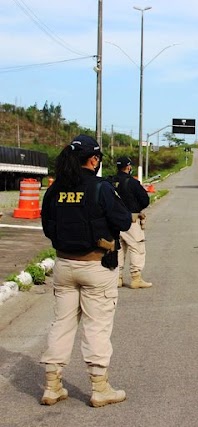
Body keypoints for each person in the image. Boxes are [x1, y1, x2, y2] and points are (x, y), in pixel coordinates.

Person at [40, 134, 132, 407]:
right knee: (96, 327)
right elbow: (124, 221)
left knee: (62, 325)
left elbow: (48, 227)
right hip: (96, 266)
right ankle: (100, 388)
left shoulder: (55, 190)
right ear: (93, 160)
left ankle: (52, 386)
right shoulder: (100, 188)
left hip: (64, 266)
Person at [112, 157, 152, 289]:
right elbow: (145, 200)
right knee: (137, 247)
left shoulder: (109, 181)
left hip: (113, 221)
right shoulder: (132, 182)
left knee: (118, 248)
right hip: (131, 220)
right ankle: (136, 278)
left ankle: (117, 278)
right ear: (128, 167)